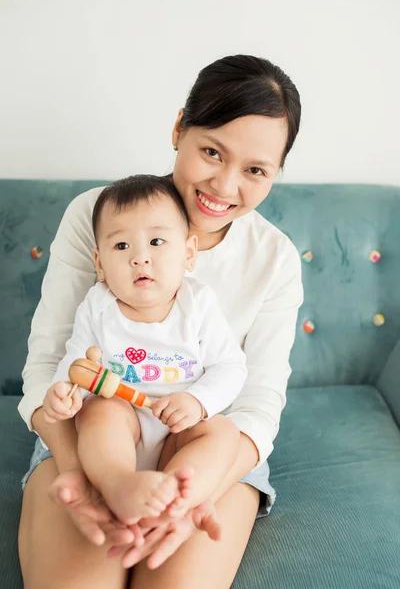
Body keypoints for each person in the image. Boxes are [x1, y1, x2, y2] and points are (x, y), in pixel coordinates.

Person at [18, 54, 303, 588]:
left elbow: (258, 405)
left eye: (256, 170)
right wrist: (81, 473)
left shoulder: (275, 258)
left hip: (203, 439)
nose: (224, 185)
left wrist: (199, 486)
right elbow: (51, 365)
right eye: (212, 151)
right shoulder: (98, 214)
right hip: (92, 432)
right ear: (179, 129)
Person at [41, 174, 247, 526]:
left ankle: (180, 494)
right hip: (120, 435)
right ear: (100, 263)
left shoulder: (197, 304)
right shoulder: (98, 306)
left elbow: (231, 366)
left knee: (224, 432)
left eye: (156, 241)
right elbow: (78, 363)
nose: (140, 258)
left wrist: (197, 402)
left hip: (177, 432)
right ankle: (118, 484)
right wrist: (64, 392)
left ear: (188, 253)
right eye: (122, 247)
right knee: (100, 414)